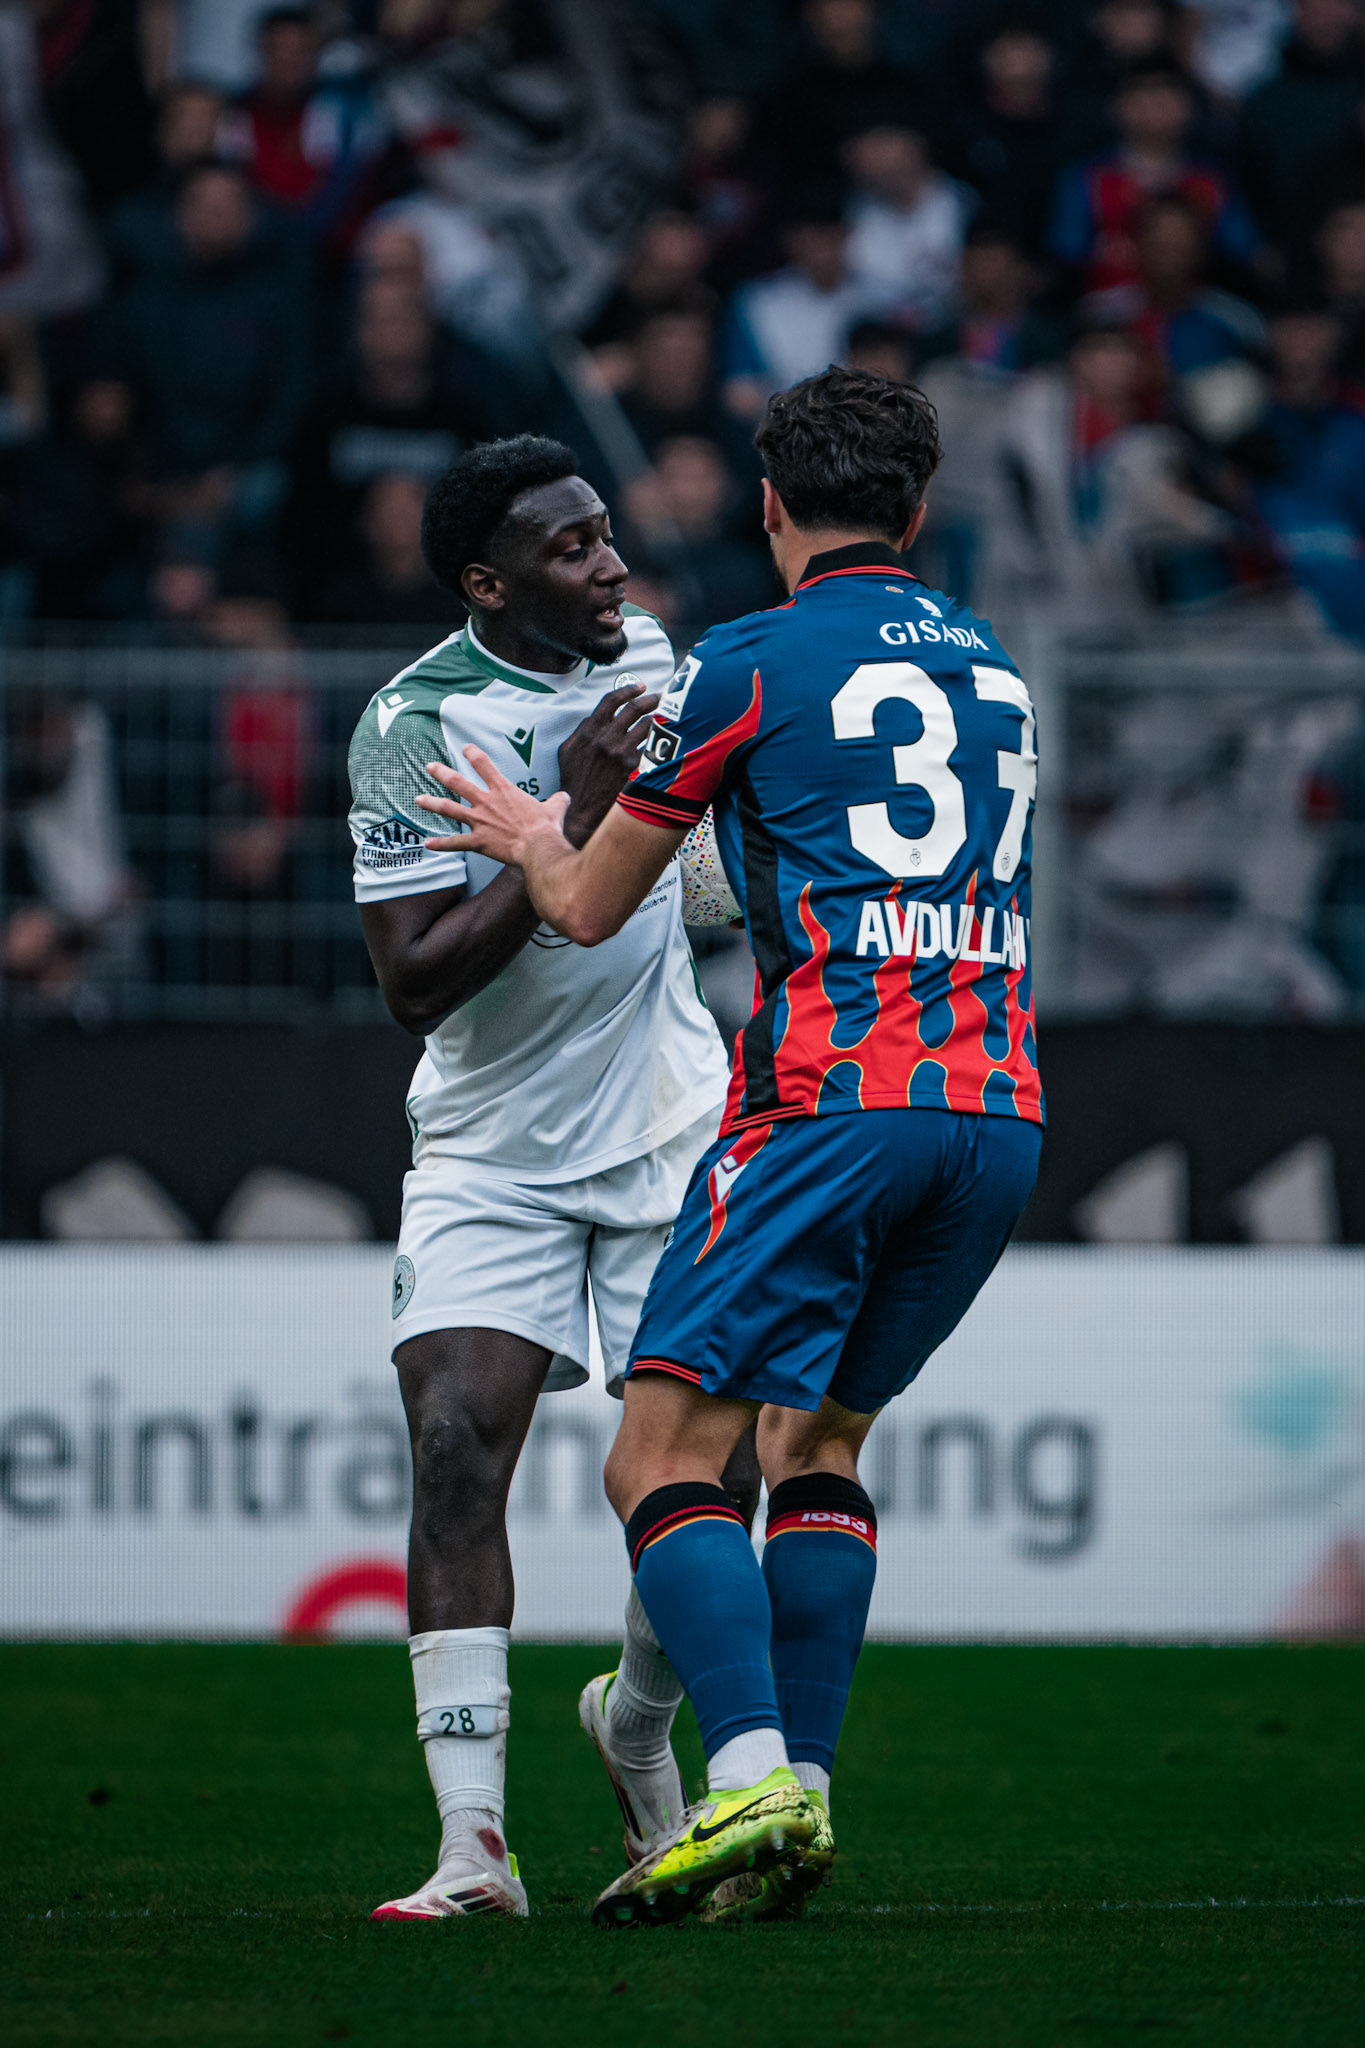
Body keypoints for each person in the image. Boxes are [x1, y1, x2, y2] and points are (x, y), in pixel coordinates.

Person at [417, 369, 1044, 1926]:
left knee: (657, 1455)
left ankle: (748, 1772)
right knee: (817, 1446)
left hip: (830, 1105)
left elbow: (583, 907)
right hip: (996, 1112)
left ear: (769, 505)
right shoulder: (995, 667)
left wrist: (531, 834)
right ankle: (802, 1799)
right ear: (918, 508)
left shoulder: (748, 664)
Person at [347, 435, 734, 1920]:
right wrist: (569, 818)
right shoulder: (413, 727)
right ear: (488, 583)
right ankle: (474, 1851)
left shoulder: (656, 659)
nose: (612, 565)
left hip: (665, 1124)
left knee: (716, 1476)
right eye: (571, 550)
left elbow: (690, 878)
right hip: (490, 1147)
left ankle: (633, 1724)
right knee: (456, 1450)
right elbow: (416, 984)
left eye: (605, 534)